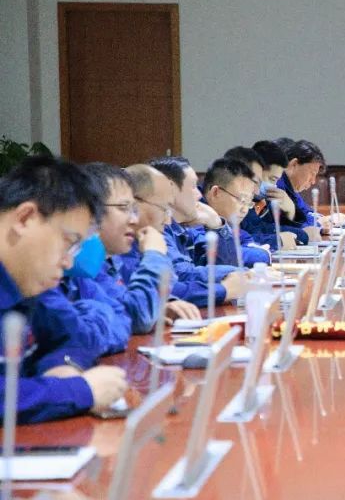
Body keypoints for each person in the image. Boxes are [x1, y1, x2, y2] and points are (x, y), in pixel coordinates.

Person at [0, 156, 128, 424]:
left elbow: (74, 339)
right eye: (69, 242)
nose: (69, 262)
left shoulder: (30, 283)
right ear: (25, 218)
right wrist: (78, 391)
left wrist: (63, 366)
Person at [50, 164, 175, 359]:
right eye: (123, 208)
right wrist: (155, 256)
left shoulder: (88, 267)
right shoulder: (77, 265)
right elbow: (137, 316)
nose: (134, 220)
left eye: (134, 209)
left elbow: (123, 318)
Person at [149, 157, 249, 307]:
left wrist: (216, 224)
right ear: (170, 189)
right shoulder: (157, 230)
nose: (199, 195)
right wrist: (239, 275)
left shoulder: (187, 227)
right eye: (193, 186)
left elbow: (222, 263)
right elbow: (181, 275)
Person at [114, 165, 202, 325]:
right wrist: (154, 255)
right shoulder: (111, 251)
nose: (168, 221)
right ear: (135, 202)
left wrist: (164, 305)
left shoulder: (139, 243)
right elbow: (137, 313)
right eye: (164, 209)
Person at [191, 158, 271, 268]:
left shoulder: (227, 220)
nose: (245, 209)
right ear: (216, 193)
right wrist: (262, 254)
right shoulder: (193, 215)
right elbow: (213, 256)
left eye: (249, 202)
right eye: (242, 200)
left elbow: (247, 240)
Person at [244, 140, 306, 248]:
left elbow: (269, 228)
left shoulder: (265, 199)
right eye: (272, 179)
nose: (273, 185)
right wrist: (279, 240)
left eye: (276, 180)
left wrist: (291, 211)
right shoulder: (240, 199)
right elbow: (245, 237)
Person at [277, 139, 335, 233]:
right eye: (312, 173)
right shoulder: (276, 184)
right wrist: (317, 225)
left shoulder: (290, 187)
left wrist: (324, 220)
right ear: (294, 164)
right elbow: (279, 226)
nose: (313, 181)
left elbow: (305, 212)